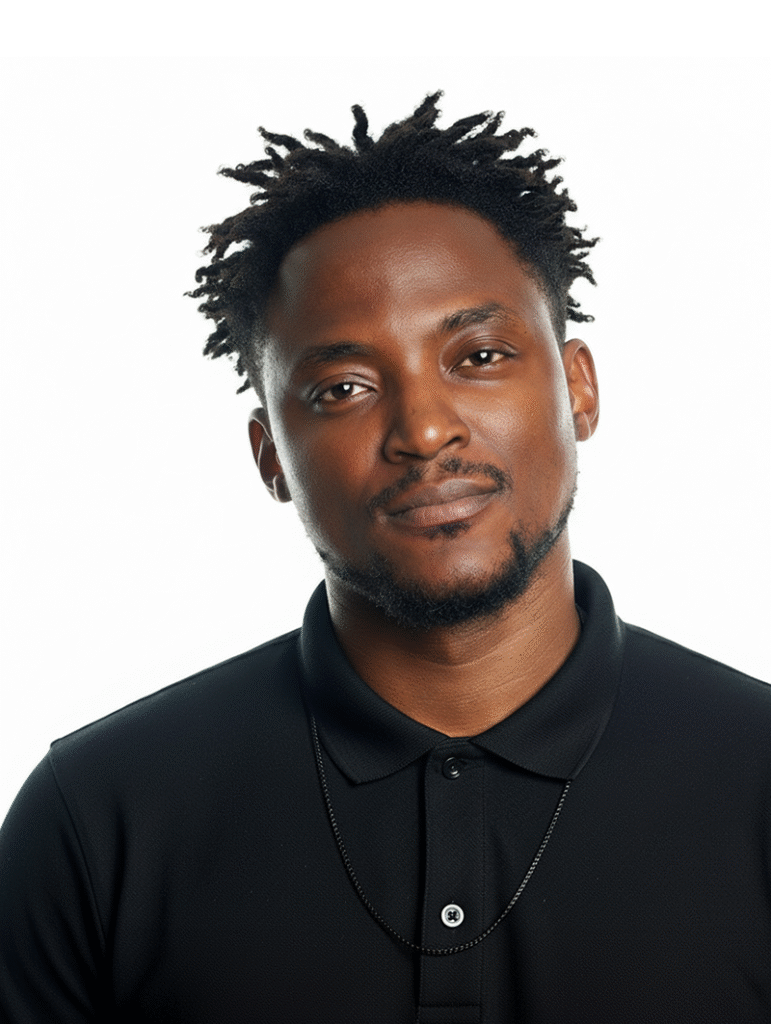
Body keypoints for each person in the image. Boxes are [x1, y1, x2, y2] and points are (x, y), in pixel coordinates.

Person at [1, 93, 769, 1024]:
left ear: (578, 388)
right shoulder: (97, 818)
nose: (424, 429)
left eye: (478, 356)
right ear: (269, 458)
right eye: (343, 387)